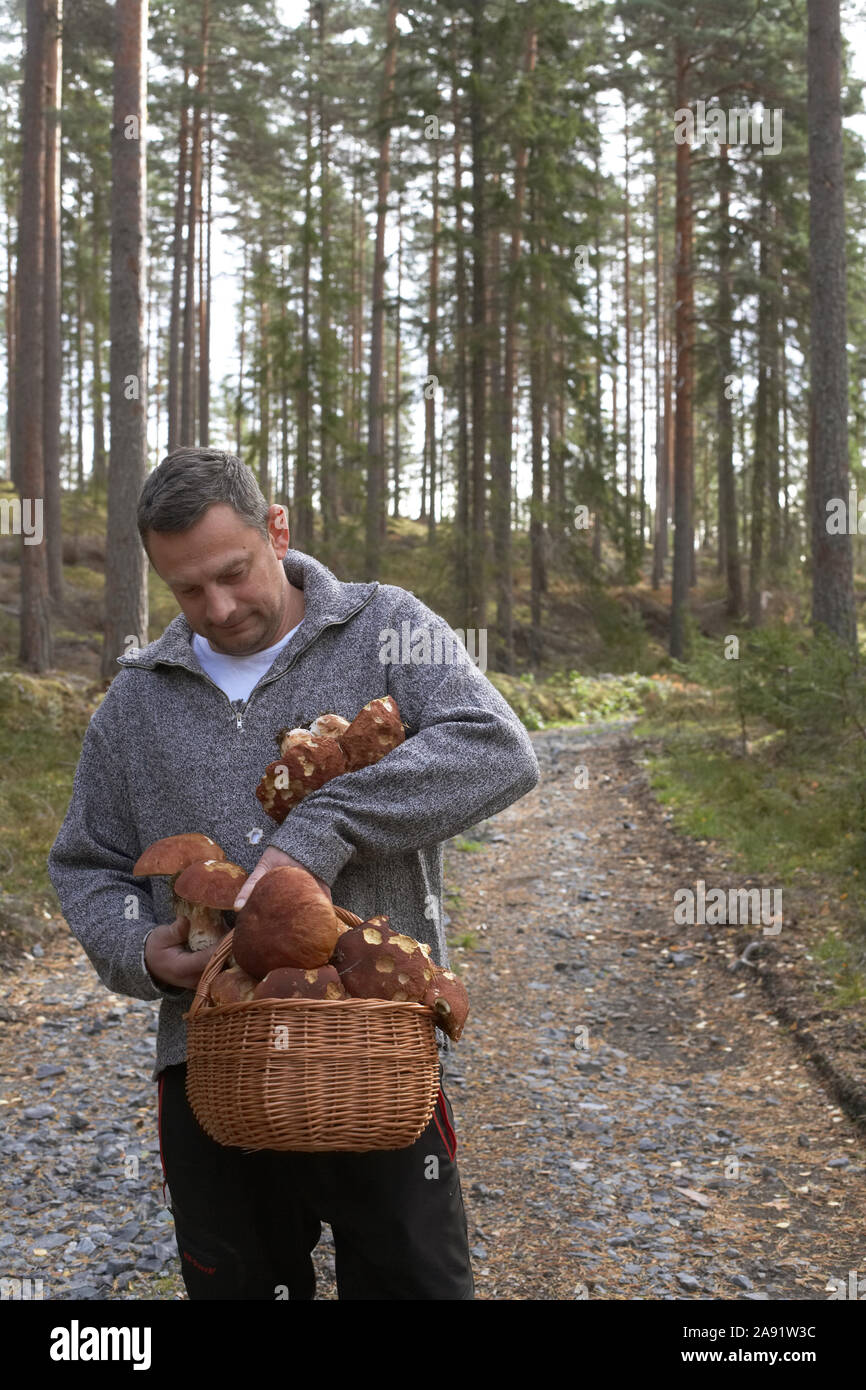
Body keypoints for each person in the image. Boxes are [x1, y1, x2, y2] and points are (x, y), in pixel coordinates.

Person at [48, 446, 540, 1300]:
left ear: (277, 531)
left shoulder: (386, 626)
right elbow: (87, 863)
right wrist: (140, 951)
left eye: (234, 573)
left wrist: (328, 822)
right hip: (214, 1067)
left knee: (414, 1288)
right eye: (187, 590)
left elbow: (497, 750)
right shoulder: (135, 704)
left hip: (375, 1056)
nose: (218, 606)